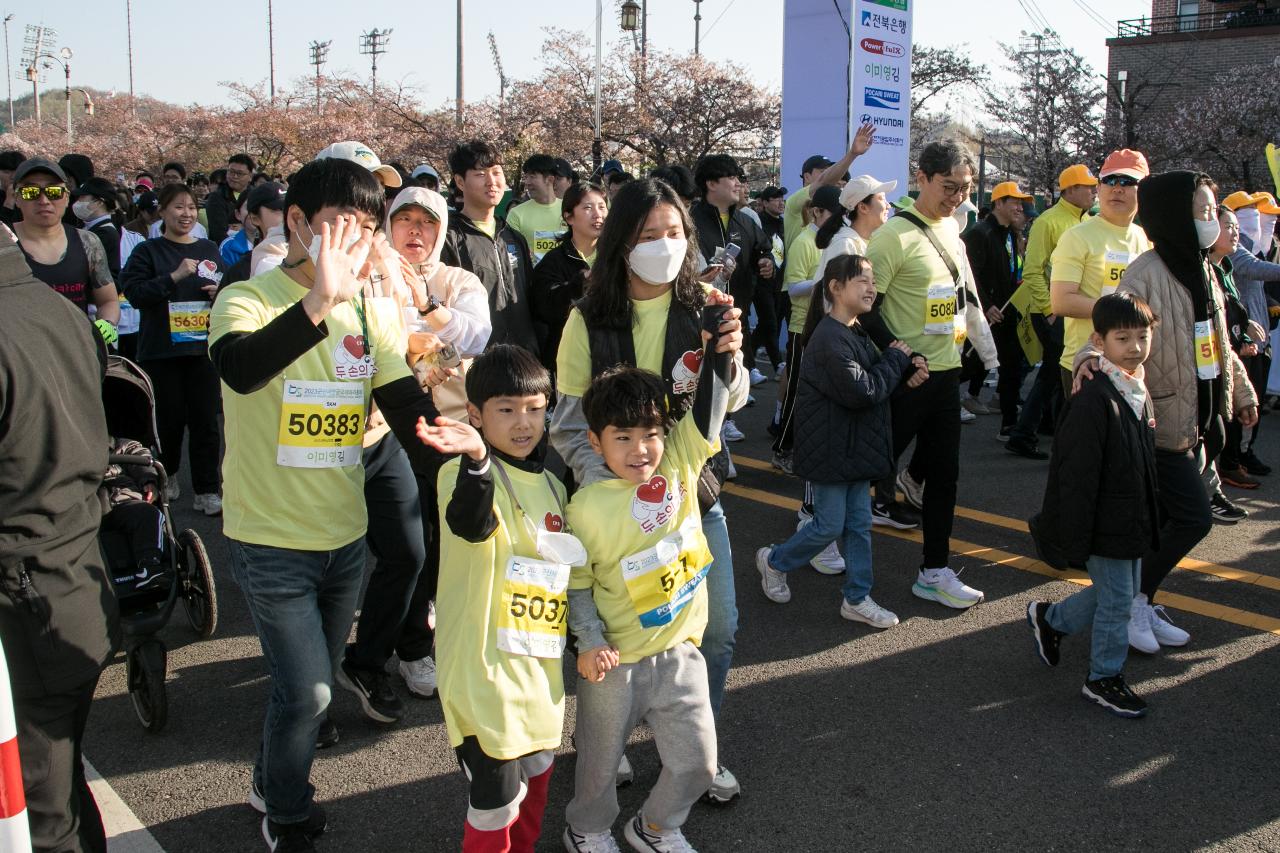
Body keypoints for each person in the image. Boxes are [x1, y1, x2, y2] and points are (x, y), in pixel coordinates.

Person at [209, 157, 446, 853]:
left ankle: (268, 776)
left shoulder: (371, 313)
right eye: (340, 224)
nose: (357, 240)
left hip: (344, 540)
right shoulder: (246, 300)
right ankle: (285, 808)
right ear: (295, 225)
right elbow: (242, 369)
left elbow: (407, 409)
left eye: (367, 227)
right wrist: (318, 300)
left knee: (302, 686)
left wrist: (473, 463)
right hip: (270, 539)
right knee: (310, 692)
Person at [550, 177, 749, 804]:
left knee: (712, 629)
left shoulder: (707, 304)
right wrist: (614, 487)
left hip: (693, 494)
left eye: (673, 234)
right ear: (619, 243)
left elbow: (726, 405)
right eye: (646, 236)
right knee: (610, 633)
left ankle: (695, 745)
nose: (663, 246)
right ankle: (604, 746)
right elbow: (566, 421)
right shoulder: (588, 317)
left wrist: (732, 361)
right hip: (611, 511)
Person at [1072, 171, 1258, 655]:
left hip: (1200, 418)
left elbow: (1216, 344)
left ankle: (1122, 602)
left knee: (1164, 521)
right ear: (1174, 214)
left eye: (1211, 211)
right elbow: (1110, 332)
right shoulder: (1145, 273)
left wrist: (1240, 394)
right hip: (1160, 421)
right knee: (1192, 519)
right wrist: (1087, 362)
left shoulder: (1204, 269)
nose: (1211, 220)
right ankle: (1132, 599)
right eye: (1201, 211)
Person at [562, 329, 732, 852]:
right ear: (595, 442)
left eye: (650, 434)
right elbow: (578, 583)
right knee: (599, 763)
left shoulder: (681, 461)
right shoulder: (586, 508)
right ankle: (586, 830)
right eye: (622, 437)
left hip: (681, 653)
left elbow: (710, 410)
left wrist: (722, 349)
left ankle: (655, 826)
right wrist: (589, 642)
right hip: (617, 665)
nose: (641, 450)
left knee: (699, 762)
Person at [340, 184, 491, 713]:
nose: (416, 232)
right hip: (378, 428)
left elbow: (475, 336)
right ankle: (395, 647)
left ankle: (412, 644)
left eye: (427, 223)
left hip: (445, 428)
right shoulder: (369, 270)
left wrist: (426, 306)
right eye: (404, 221)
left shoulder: (458, 279)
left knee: (433, 546)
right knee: (404, 549)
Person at [414, 345, 567, 853]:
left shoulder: (552, 484)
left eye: (534, 408)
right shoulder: (459, 474)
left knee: (538, 777)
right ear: (475, 415)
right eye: (506, 409)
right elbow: (470, 523)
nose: (523, 423)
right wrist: (478, 459)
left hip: (538, 667)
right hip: (483, 669)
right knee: (498, 796)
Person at [0, 223, 119, 853]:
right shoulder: (56, 308)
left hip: (25, 592)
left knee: (41, 807)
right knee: (61, 780)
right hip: (73, 571)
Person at [755, 254, 925, 626]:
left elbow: (874, 388)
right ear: (835, 287)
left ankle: (857, 597)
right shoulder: (830, 338)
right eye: (861, 279)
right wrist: (897, 361)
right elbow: (863, 391)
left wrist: (902, 370)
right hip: (832, 448)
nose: (871, 286)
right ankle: (774, 561)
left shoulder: (852, 330)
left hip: (852, 446)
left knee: (859, 525)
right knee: (830, 526)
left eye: (872, 279)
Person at [862, 139, 990, 609]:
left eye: (966, 188)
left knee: (945, 477)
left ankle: (934, 570)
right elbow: (864, 306)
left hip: (945, 375)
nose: (957, 196)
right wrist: (901, 354)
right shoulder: (892, 236)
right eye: (949, 186)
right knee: (868, 469)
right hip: (905, 377)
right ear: (922, 178)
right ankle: (817, 532)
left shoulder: (953, 232)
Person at [1027, 292, 1161, 718]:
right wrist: (1076, 535)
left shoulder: (1134, 386)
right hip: (1105, 520)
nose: (1136, 347)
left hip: (1128, 514)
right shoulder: (1094, 397)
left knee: (1115, 593)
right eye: (1124, 338)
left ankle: (1051, 620)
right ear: (1099, 342)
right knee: (1119, 601)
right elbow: (1076, 476)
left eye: (1143, 336)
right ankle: (1103, 677)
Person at [119, 183, 226, 515]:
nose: (187, 214)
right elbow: (135, 293)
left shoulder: (209, 247)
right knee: (167, 420)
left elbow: (225, 286)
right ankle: (169, 475)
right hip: (162, 351)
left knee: (207, 422)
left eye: (192, 207)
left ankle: (208, 489)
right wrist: (174, 276)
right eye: (178, 207)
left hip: (202, 350)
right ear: (162, 211)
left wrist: (219, 292)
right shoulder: (148, 251)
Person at [1006, 164, 1098, 460]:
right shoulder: (1049, 222)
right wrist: (1049, 309)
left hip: (1069, 311)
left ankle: (1038, 427)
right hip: (1051, 310)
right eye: (1088, 187)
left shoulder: (1088, 221)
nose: (1093, 191)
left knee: (1054, 371)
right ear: (1069, 189)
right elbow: (1031, 271)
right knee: (1052, 372)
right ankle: (1023, 433)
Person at [1050, 150, 1153, 396]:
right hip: (1088, 364)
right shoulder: (1077, 236)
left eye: (1128, 182)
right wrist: (1122, 314)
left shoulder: (1144, 238)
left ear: (1144, 191)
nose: (1117, 188)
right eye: (1110, 180)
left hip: (1132, 363)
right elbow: (1061, 301)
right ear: (1099, 186)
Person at [441, 140, 540, 355]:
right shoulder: (448, 238)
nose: (492, 182)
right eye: (480, 174)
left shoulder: (513, 237)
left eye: (497, 172)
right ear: (459, 181)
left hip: (523, 356)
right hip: (476, 358)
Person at [690, 153, 776, 402]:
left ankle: (726, 422)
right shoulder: (690, 221)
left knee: (733, 370)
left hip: (738, 313)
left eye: (739, 177)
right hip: (700, 315)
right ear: (711, 183)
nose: (739, 183)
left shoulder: (745, 222)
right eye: (731, 177)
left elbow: (764, 248)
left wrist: (767, 262)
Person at [12, 158, 121, 345]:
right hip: (19, 359)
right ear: (16, 198)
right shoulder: (4, 243)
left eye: (54, 192)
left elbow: (108, 300)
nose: (44, 200)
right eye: (31, 192)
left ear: (66, 197)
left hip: (77, 353)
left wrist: (107, 323)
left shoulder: (88, 242)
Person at [771, 188, 834, 474]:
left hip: (824, 327)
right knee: (796, 391)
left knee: (814, 393)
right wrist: (823, 280)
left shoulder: (831, 241)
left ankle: (799, 447)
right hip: (801, 328)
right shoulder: (804, 241)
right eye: (834, 214)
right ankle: (782, 449)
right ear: (817, 212)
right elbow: (793, 288)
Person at [962, 181, 1031, 437]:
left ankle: (1009, 426)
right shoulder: (980, 233)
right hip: (985, 316)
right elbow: (970, 275)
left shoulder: (1011, 234)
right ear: (999, 203)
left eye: (1021, 203)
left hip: (1008, 314)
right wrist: (987, 305)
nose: (1019, 207)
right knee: (970, 366)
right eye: (1014, 201)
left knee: (1011, 368)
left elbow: (1013, 271)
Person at [530, 180, 608, 371]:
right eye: (588, 208)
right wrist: (581, 282)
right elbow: (543, 308)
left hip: (609, 353)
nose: (598, 215)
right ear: (569, 217)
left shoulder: (616, 255)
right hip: (567, 357)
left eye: (602, 207)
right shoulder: (554, 260)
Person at [781, 123, 875, 252]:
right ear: (807, 177)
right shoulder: (794, 202)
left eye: (829, 171)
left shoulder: (834, 203)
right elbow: (823, 182)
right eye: (823, 171)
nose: (831, 176)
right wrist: (852, 154)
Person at [506, 154, 565, 265]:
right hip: (532, 280)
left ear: (550, 179)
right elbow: (511, 258)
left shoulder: (569, 210)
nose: (527, 182)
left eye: (532, 176)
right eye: (526, 177)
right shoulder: (516, 214)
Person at [70, 177, 122, 278]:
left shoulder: (106, 233)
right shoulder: (84, 226)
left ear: (98, 202)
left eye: (82, 197)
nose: (78, 202)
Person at [206, 153, 256, 243]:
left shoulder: (256, 196)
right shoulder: (216, 197)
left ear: (250, 176)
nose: (234, 176)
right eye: (231, 172)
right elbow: (218, 233)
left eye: (239, 173)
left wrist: (243, 228)